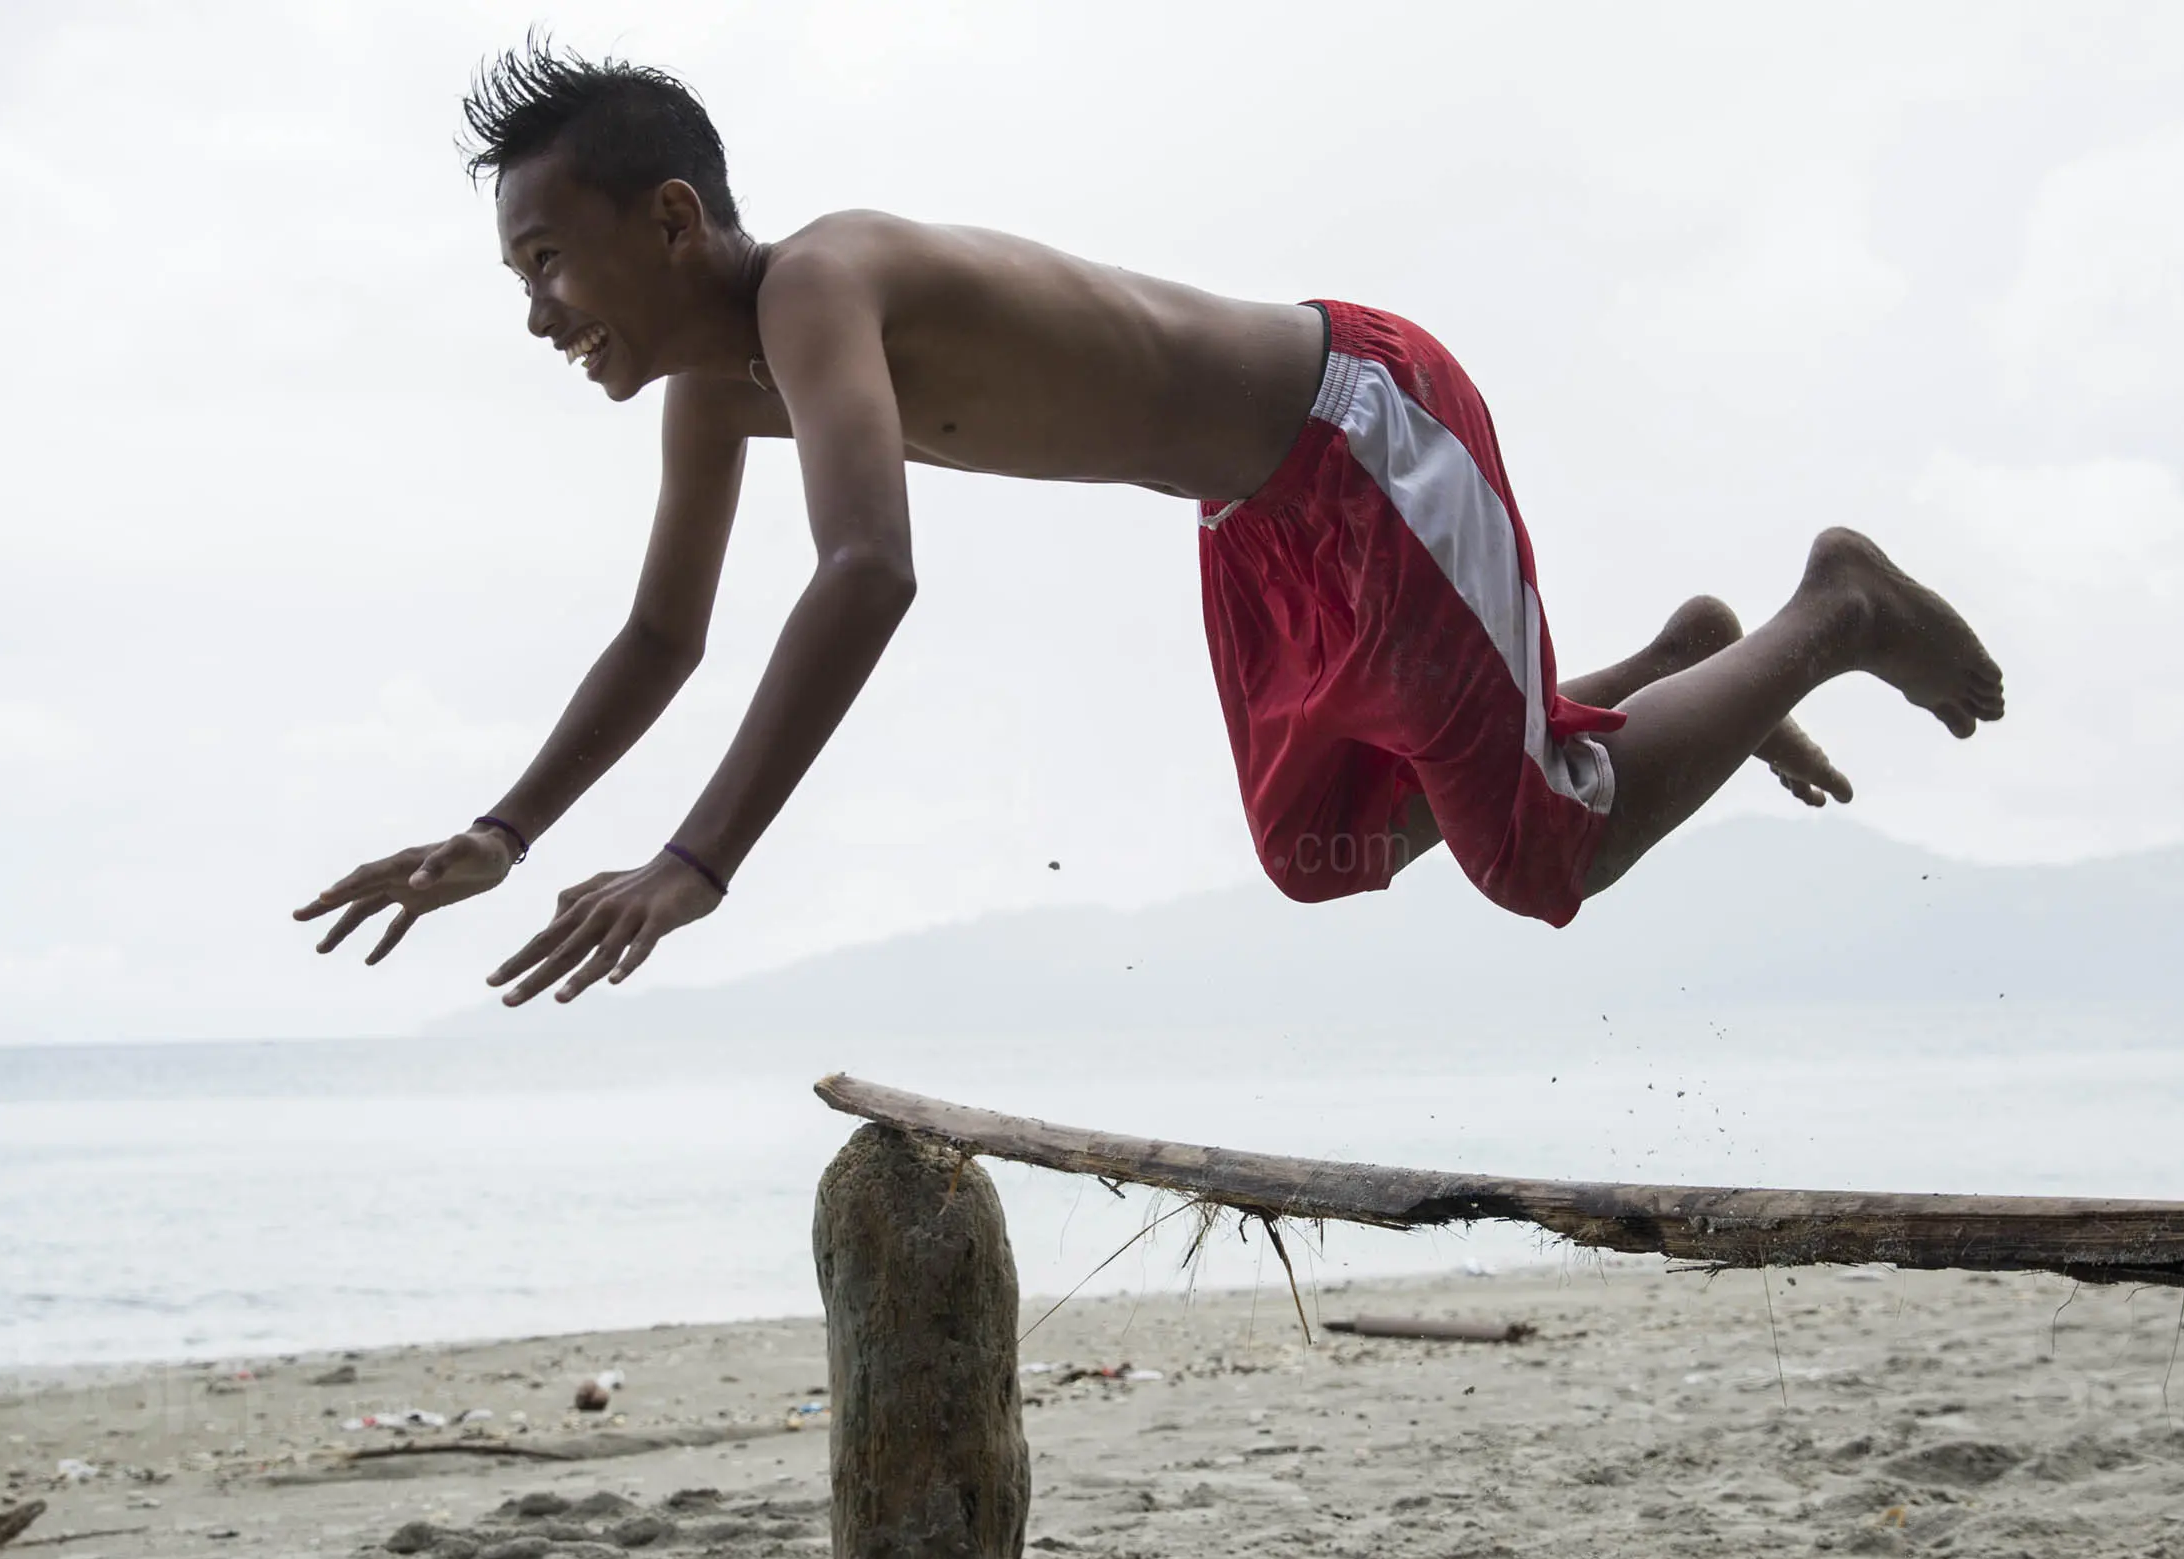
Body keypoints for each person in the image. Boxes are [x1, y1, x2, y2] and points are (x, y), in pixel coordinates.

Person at [295, 41, 2005, 1007]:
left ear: (671, 220)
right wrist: (507, 831)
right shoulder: (712, 395)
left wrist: (694, 862)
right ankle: (1652, 678)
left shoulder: (820, 282)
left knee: (1543, 857)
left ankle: (1829, 612)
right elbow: (663, 636)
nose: (536, 313)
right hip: (1253, 520)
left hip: (1357, 434)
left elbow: (869, 572)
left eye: (545, 264)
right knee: (1319, 853)